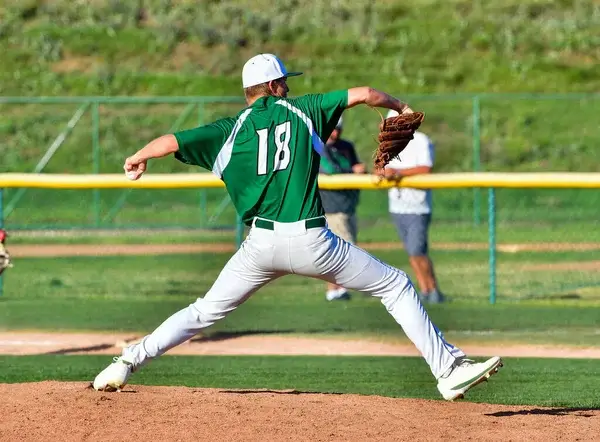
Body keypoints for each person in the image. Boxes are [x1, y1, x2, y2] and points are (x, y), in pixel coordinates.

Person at [93, 53, 502, 401]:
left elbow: (171, 141)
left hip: (260, 246)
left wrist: (137, 158)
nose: (287, 88)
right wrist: (400, 107)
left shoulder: (227, 130)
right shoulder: (304, 110)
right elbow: (363, 95)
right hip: (312, 241)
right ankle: (448, 371)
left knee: (203, 312)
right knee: (394, 284)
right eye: (283, 83)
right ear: (271, 85)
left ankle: (127, 362)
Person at [384, 110, 444, 304]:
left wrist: (399, 173)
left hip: (417, 206)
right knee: (412, 253)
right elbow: (383, 168)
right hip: (397, 205)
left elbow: (425, 169)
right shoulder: (390, 144)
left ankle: (433, 290)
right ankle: (425, 289)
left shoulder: (421, 141)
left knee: (418, 250)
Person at [319, 115, 366, 301]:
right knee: (346, 248)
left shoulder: (346, 146)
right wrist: (353, 172)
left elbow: (358, 167)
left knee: (339, 249)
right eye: (333, 128)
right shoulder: (319, 147)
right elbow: (330, 171)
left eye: (338, 129)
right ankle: (337, 289)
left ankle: (336, 289)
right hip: (331, 207)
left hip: (349, 205)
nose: (335, 133)